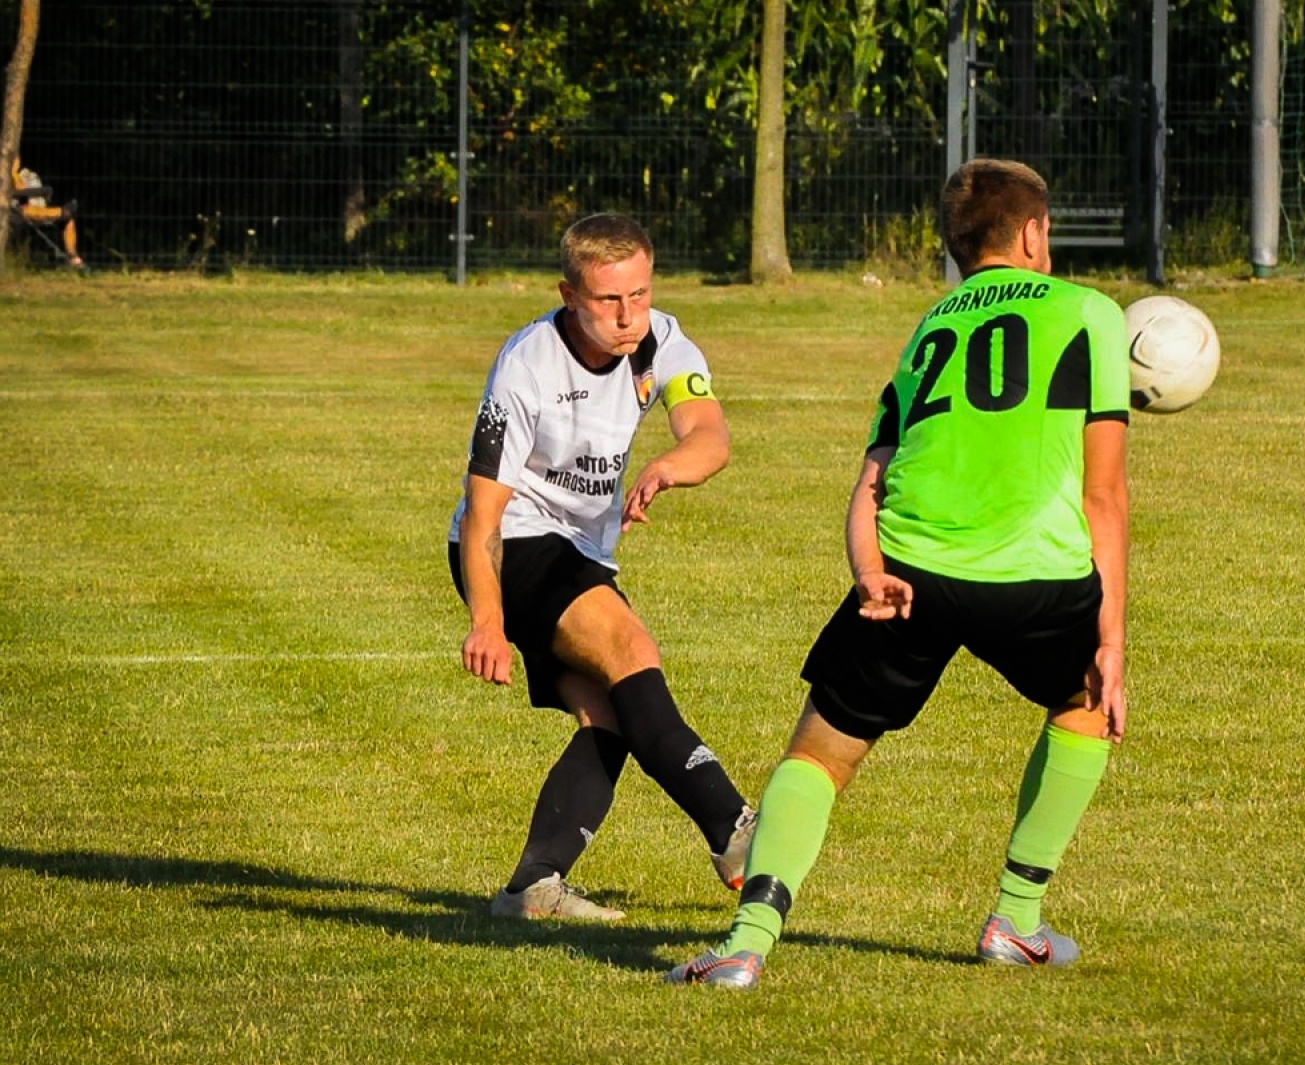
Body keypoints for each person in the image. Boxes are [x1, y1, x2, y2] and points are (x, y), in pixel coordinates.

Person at [668, 158, 1130, 987]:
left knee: (818, 755)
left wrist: (868, 570)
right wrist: (1113, 635)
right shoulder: (1090, 313)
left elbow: (873, 474)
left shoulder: (928, 328)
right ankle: (1014, 921)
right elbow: (1104, 494)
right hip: (1036, 578)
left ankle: (745, 943)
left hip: (907, 569)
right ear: (1033, 234)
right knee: (1086, 704)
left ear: (956, 248)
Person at [449, 212, 756, 922]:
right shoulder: (526, 365)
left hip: (581, 550)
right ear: (568, 293)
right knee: (630, 651)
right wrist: (487, 621)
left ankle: (533, 884)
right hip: (516, 545)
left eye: (640, 294)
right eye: (608, 300)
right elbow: (484, 518)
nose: (628, 317)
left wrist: (674, 465)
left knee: (610, 715)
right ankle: (735, 829)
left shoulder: (660, 341)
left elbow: (710, 433)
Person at [9, 157, 85, 269]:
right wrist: (13, 173)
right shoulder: (7, 176)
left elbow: (22, 189)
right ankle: (62, 212)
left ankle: (72, 255)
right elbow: (17, 191)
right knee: (26, 209)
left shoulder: (22, 174)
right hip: (14, 214)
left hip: (30, 212)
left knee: (68, 220)